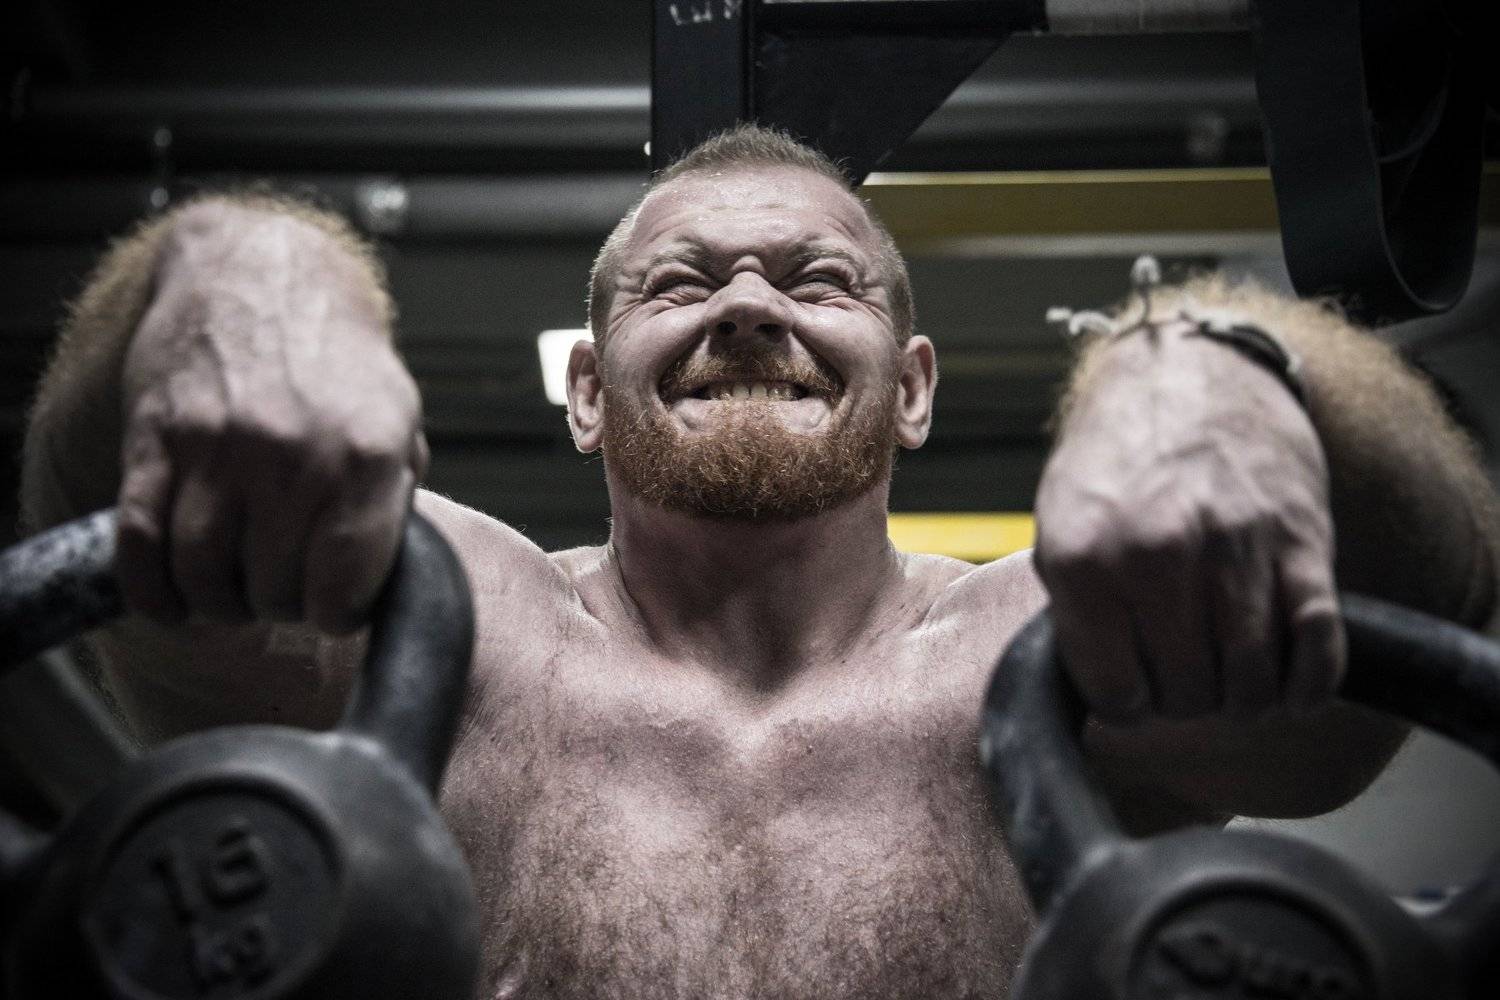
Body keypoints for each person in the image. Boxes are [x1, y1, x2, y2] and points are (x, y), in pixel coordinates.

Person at [20, 125, 1499, 999]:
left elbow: (1406, 615)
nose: (746, 308)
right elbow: (141, 577)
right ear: (586, 391)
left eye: (818, 281)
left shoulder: (1046, 645)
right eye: (679, 283)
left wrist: (1228, 370)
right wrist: (232, 275)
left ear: (912, 389)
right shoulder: (444, 622)